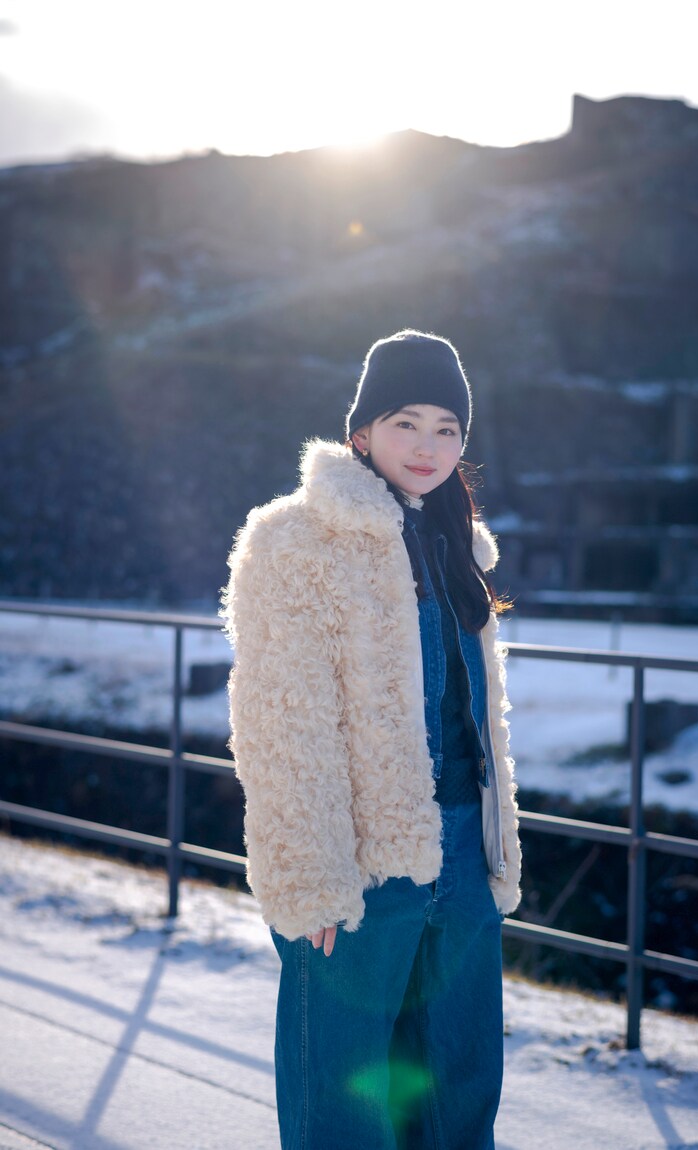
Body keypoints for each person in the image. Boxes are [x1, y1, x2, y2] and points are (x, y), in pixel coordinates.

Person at [221, 329, 522, 1150]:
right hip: (359, 862)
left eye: (447, 430)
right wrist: (310, 877)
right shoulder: (294, 540)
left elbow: (480, 723)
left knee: (460, 1098)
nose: (428, 447)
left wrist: (493, 853)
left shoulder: (457, 546)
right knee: (345, 1110)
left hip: (463, 857)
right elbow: (280, 721)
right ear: (361, 431)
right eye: (405, 423)